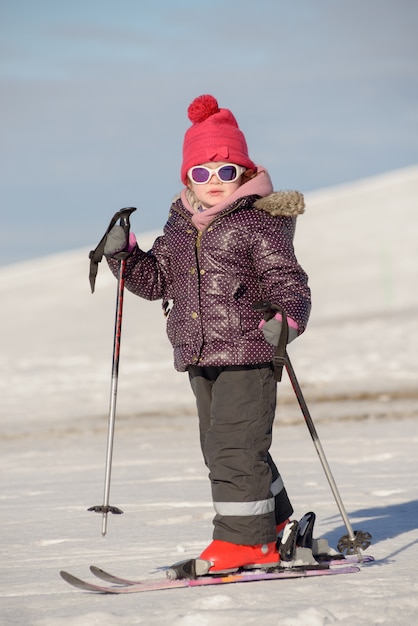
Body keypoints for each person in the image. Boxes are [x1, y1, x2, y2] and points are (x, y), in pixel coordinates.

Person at [105, 94, 311, 573]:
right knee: (221, 445)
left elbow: (289, 281)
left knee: (234, 447)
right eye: (201, 173)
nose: (214, 182)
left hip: (250, 349)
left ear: (242, 171)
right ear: (187, 178)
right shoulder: (179, 226)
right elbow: (157, 280)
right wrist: (125, 257)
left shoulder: (258, 222)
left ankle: (246, 542)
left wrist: (287, 319)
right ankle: (273, 521)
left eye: (225, 171)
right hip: (199, 352)